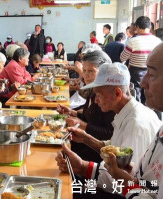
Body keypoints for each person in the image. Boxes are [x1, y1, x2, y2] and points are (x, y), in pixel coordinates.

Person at [59, 43, 163, 199]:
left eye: (151, 74)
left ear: (117, 93)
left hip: (117, 193)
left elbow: (120, 183)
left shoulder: (137, 124)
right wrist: (87, 139)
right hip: (123, 186)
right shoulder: (124, 113)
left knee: (68, 187)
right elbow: (117, 153)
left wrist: (82, 167)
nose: (142, 82)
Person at [57, 50, 115, 163]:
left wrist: (84, 126)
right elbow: (90, 112)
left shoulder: (107, 96)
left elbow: (110, 134)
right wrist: (73, 112)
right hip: (84, 141)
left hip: (97, 151)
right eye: (84, 70)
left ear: (104, 71)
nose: (85, 75)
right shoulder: (93, 89)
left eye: (91, 71)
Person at [120, 16, 161, 104]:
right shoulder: (158, 41)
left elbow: (122, 58)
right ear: (150, 27)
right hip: (153, 73)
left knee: (136, 97)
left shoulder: (133, 41)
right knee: (150, 96)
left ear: (137, 27)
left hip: (136, 72)